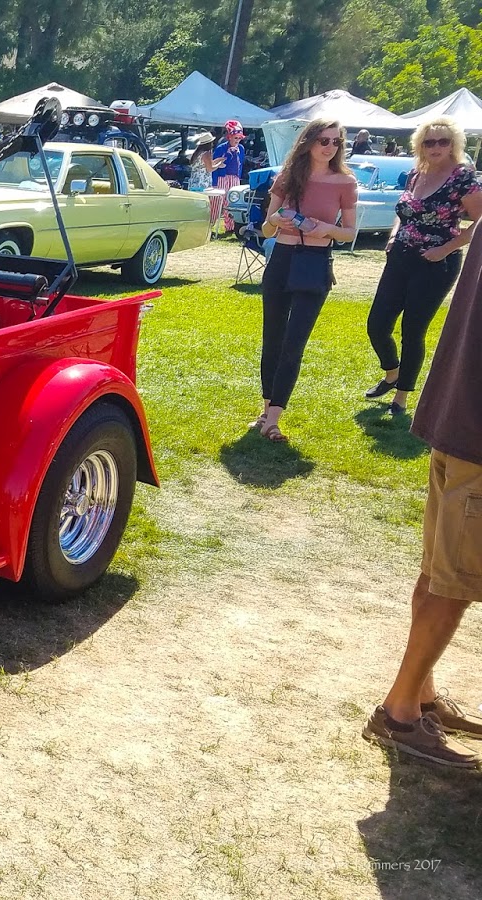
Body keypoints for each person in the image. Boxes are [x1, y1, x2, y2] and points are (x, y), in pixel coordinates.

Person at [362, 222, 482, 769]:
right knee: (453, 582)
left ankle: (421, 697)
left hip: (457, 414)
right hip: (473, 432)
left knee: (439, 572)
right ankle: (400, 714)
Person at [364, 117, 482, 416]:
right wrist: (392, 237)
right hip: (401, 256)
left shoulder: (464, 178)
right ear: (420, 145)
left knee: (412, 330)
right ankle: (392, 373)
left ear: (454, 144)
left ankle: (401, 397)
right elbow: (404, 212)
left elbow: (478, 222)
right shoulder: (416, 173)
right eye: (429, 142)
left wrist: (445, 248)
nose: (436, 147)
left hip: (436, 263)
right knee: (377, 324)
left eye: (443, 141)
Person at [251, 118, 358, 442]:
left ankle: (273, 419)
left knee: (294, 343)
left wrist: (326, 229)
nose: (329, 147)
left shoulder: (345, 182)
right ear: (309, 141)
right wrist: (276, 220)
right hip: (282, 259)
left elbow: (349, 232)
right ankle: (267, 408)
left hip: (315, 262)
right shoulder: (287, 177)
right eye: (323, 140)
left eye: (336, 142)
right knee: (273, 339)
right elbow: (266, 229)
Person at [209, 120, 246, 233]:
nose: (237, 140)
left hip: (234, 178)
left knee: (232, 202)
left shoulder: (241, 149)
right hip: (221, 177)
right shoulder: (221, 148)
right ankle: (209, 225)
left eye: (239, 138)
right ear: (229, 137)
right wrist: (214, 182)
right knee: (216, 201)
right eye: (235, 138)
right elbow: (215, 165)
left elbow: (240, 165)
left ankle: (230, 228)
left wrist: (238, 177)